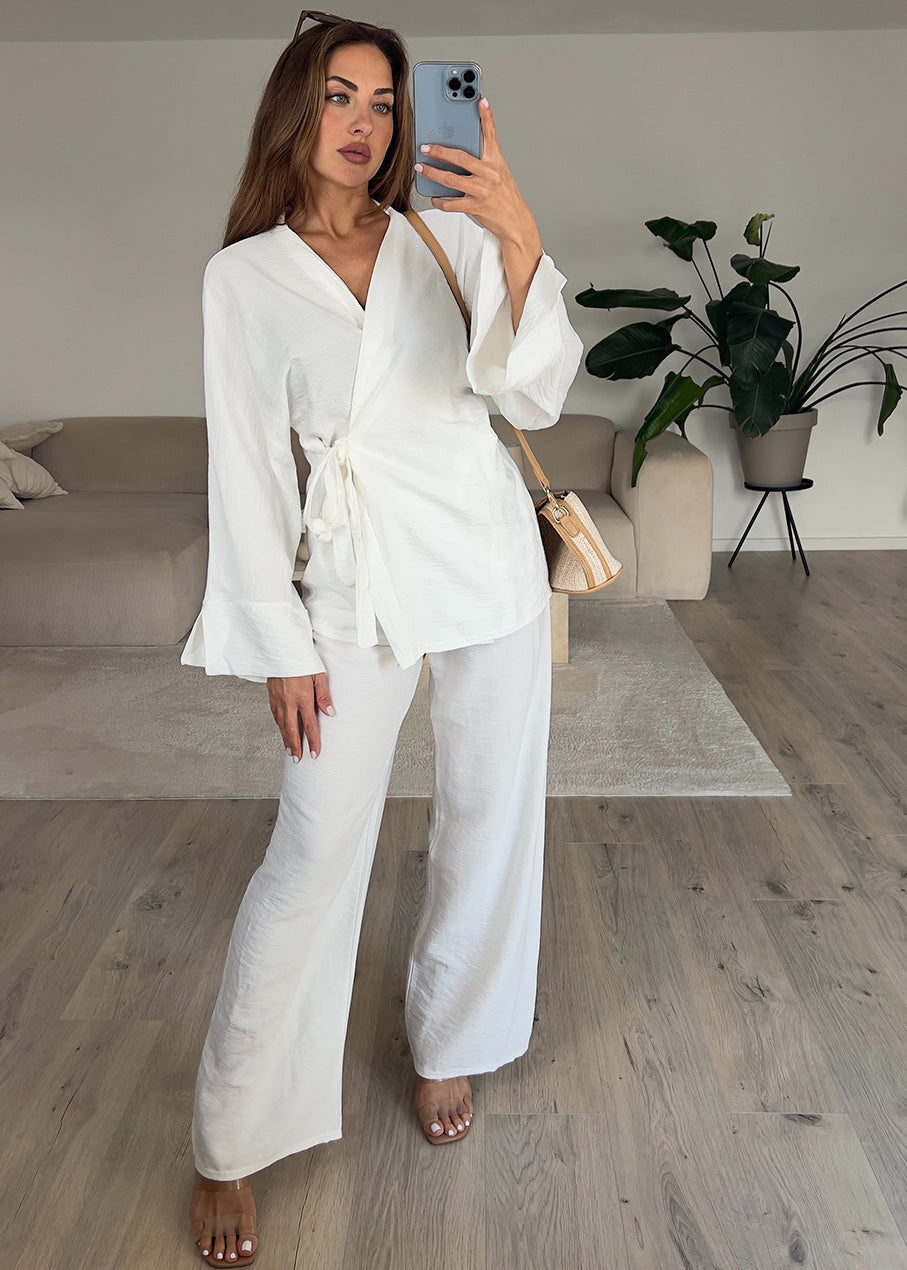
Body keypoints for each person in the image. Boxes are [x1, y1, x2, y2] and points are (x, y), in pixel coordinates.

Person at [182, 9, 583, 1263]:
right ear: (294, 109)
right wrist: (281, 643)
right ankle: (230, 1136)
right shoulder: (245, 278)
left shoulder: (443, 233)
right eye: (339, 96)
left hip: (486, 565)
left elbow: (528, 391)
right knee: (310, 851)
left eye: (386, 101)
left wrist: (517, 236)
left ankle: (451, 1039)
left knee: (487, 814)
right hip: (351, 585)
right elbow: (249, 473)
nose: (364, 123)